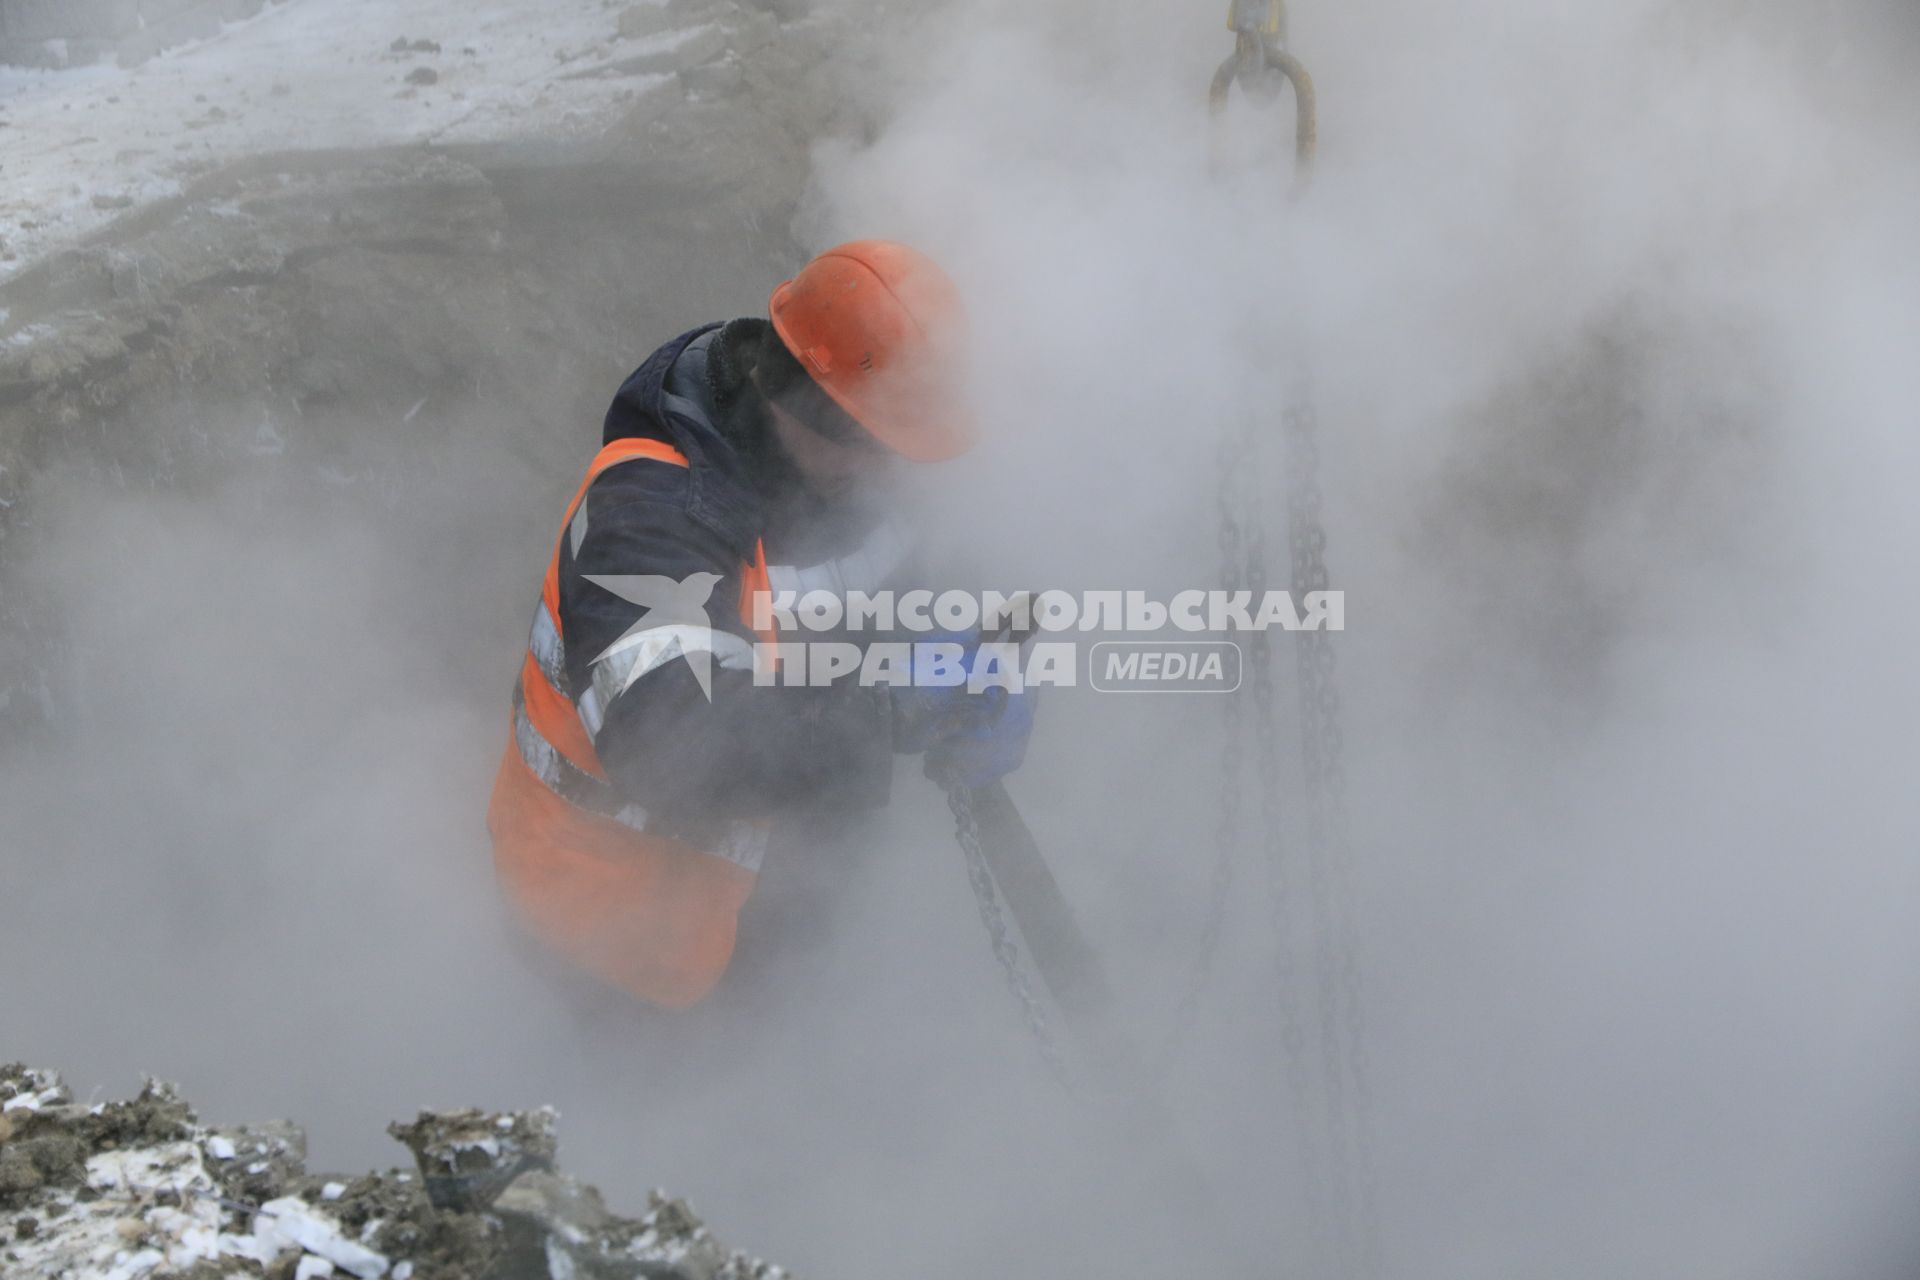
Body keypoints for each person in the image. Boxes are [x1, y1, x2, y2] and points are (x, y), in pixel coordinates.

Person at [487, 240, 1035, 1010]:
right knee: (659, 1125)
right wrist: (892, 713)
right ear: (796, 398)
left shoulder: (855, 477)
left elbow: (952, 568)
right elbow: (668, 744)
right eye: (874, 443)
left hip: (776, 912)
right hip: (620, 944)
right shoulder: (648, 512)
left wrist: (1001, 651)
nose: (889, 470)